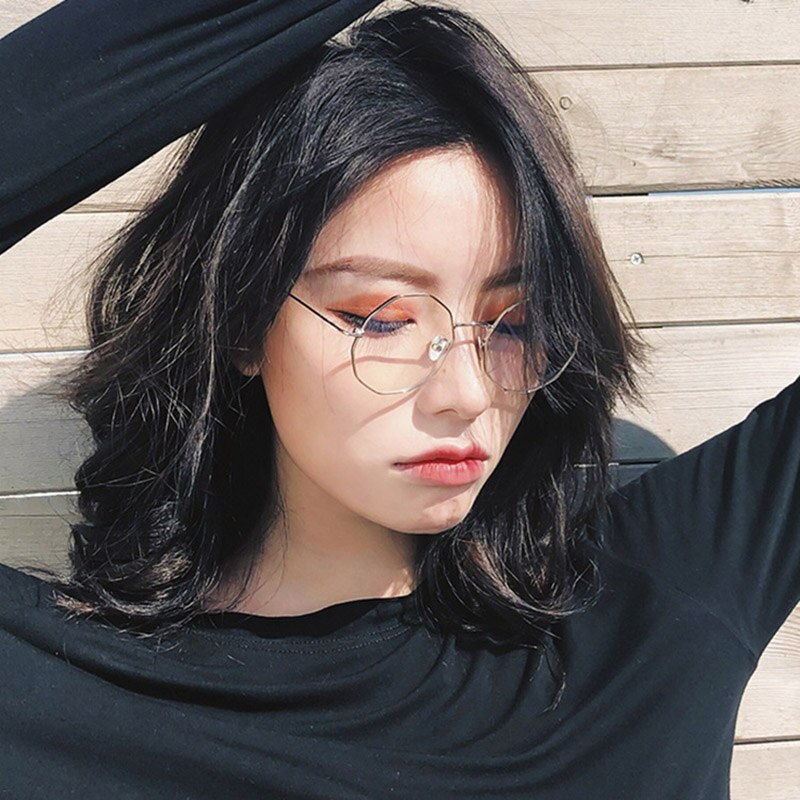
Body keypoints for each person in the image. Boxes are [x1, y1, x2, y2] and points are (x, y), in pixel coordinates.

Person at [0, 1, 798, 797]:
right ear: (241, 323)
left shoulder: (654, 605)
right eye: (381, 320)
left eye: (515, 324)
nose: (467, 393)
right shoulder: (62, 696)